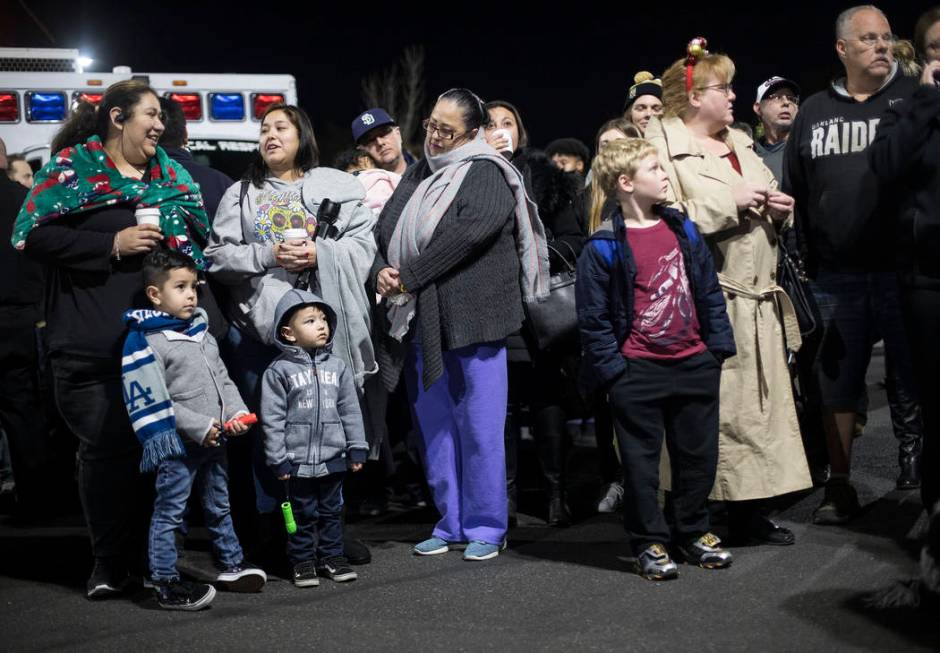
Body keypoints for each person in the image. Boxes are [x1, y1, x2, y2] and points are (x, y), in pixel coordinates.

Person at [12, 79, 210, 598]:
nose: (161, 125)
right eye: (151, 115)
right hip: (89, 340)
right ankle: (107, 562)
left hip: (158, 345)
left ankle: (154, 561)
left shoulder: (170, 174)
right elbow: (30, 236)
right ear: (118, 117)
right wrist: (112, 243)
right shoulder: (71, 168)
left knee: (158, 452)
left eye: (164, 117)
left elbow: (198, 240)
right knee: (105, 451)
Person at [372, 88, 549, 561]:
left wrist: (406, 275)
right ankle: (448, 521)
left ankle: (487, 526)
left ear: (472, 133)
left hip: (477, 319)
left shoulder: (487, 172)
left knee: (481, 427)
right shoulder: (417, 172)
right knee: (435, 427)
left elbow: (467, 235)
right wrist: (381, 271)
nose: (433, 136)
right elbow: (385, 230)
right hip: (420, 319)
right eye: (430, 125)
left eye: (446, 130)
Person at [646, 43, 811, 545]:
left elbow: (763, 196)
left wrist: (782, 210)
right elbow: (660, 218)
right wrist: (730, 200)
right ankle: (696, 513)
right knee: (708, 412)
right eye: (724, 87)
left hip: (757, 298)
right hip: (708, 301)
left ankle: (749, 509)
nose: (735, 96)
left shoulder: (740, 143)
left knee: (757, 411)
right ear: (694, 97)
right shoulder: (662, 147)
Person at [205, 103, 378, 564]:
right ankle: (276, 536)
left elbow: (363, 247)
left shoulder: (335, 189)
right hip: (258, 338)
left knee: (328, 433)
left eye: (281, 127)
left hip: (322, 338)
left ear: (302, 135)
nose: (270, 135)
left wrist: (321, 255)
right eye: (264, 129)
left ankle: (328, 538)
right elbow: (217, 257)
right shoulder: (241, 194)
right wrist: (267, 255)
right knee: (270, 439)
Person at [783, 5, 922, 522]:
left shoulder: (913, 100)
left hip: (907, 270)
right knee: (836, 382)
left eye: (887, 37)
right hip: (835, 275)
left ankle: (923, 477)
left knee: (920, 374)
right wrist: (802, 255)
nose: (882, 46)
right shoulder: (815, 111)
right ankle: (839, 484)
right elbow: (794, 188)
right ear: (843, 49)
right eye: (869, 39)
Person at [576, 137, 736, 579]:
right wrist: (616, 374)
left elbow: (707, 292)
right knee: (641, 466)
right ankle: (649, 541)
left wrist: (715, 351)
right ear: (626, 183)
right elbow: (594, 320)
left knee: (698, 457)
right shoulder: (603, 246)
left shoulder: (683, 230)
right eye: (655, 169)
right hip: (638, 371)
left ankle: (692, 531)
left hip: (693, 363)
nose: (666, 175)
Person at [121, 249, 266, 610]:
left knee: (220, 503)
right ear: (155, 295)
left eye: (194, 287)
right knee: (171, 512)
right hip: (179, 446)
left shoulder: (201, 332)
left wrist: (236, 413)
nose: (191, 295)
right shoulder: (146, 342)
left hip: (216, 439)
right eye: (180, 287)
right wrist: (200, 427)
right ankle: (164, 580)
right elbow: (156, 400)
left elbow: (222, 380)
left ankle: (231, 563)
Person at [485, 99, 586, 526]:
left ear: (521, 132)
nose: (501, 130)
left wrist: (533, 254)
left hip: (542, 308)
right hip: (492, 308)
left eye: (509, 122)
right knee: (500, 408)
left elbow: (574, 239)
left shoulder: (547, 177)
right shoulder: (468, 177)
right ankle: (503, 498)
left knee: (547, 401)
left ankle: (555, 495)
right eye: (491, 124)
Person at [262, 288, 368, 586]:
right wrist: (278, 458)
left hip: (332, 456)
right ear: (289, 333)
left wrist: (357, 447)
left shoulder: (338, 367)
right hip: (296, 461)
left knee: (332, 511)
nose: (321, 325)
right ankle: (302, 561)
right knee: (302, 514)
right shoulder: (278, 371)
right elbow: (272, 420)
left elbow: (350, 409)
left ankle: (332, 556)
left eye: (323, 319)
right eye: (310, 321)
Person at [752, 77, 800, 182]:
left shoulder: (807, 148)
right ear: (758, 108)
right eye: (777, 97)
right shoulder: (748, 154)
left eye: (791, 98)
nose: (786, 102)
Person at [352, 108, 414, 175]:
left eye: (383, 133)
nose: (380, 143)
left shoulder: (425, 170)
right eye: (370, 140)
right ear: (363, 150)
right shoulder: (359, 184)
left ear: (398, 134)